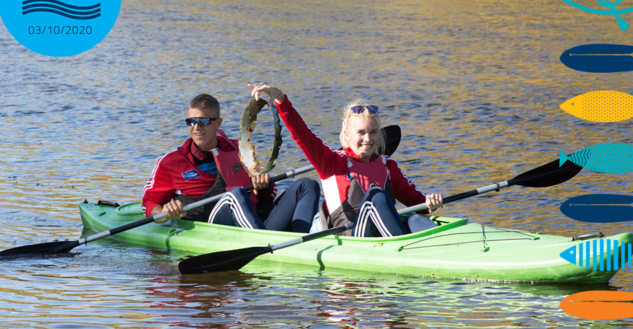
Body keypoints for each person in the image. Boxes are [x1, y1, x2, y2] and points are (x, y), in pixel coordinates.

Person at [249, 84, 443, 237]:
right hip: (352, 235)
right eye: (361, 132)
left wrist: (430, 203)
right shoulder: (332, 162)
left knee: (415, 220)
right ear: (346, 136)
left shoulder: (388, 166)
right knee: (377, 195)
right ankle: (403, 248)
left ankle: (440, 245)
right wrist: (281, 99)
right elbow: (302, 134)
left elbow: (419, 204)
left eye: (373, 132)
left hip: (383, 234)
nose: (368, 139)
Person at [142, 93, 320, 233]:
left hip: (257, 220)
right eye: (191, 122)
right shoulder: (171, 162)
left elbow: (269, 195)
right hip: (214, 227)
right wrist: (164, 214)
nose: (196, 127)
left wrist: (263, 185)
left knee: (307, 184)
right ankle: (261, 241)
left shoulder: (241, 149)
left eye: (203, 121)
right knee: (235, 194)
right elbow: (149, 202)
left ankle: (302, 242)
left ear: (218, 123)